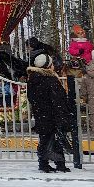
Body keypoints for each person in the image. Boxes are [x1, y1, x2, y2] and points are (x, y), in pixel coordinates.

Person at [24, 39, 73, 173]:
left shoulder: (33, 79)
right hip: (52, 114)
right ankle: (59, 163)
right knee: (56, 139)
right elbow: (58, 99)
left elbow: (31, 97)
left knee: (45, 139)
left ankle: (43, 162)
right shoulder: (50, 80)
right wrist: (63, 112)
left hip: (41, 114)